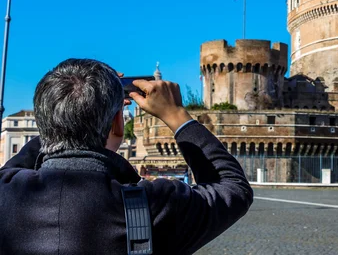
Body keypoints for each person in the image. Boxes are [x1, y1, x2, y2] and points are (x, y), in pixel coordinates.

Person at [0, 58, 253, 254]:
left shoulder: (5, 193)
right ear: (118, 124)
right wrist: (176, 115)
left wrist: (63, 116)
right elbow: (233, 188)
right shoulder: (152, 206)